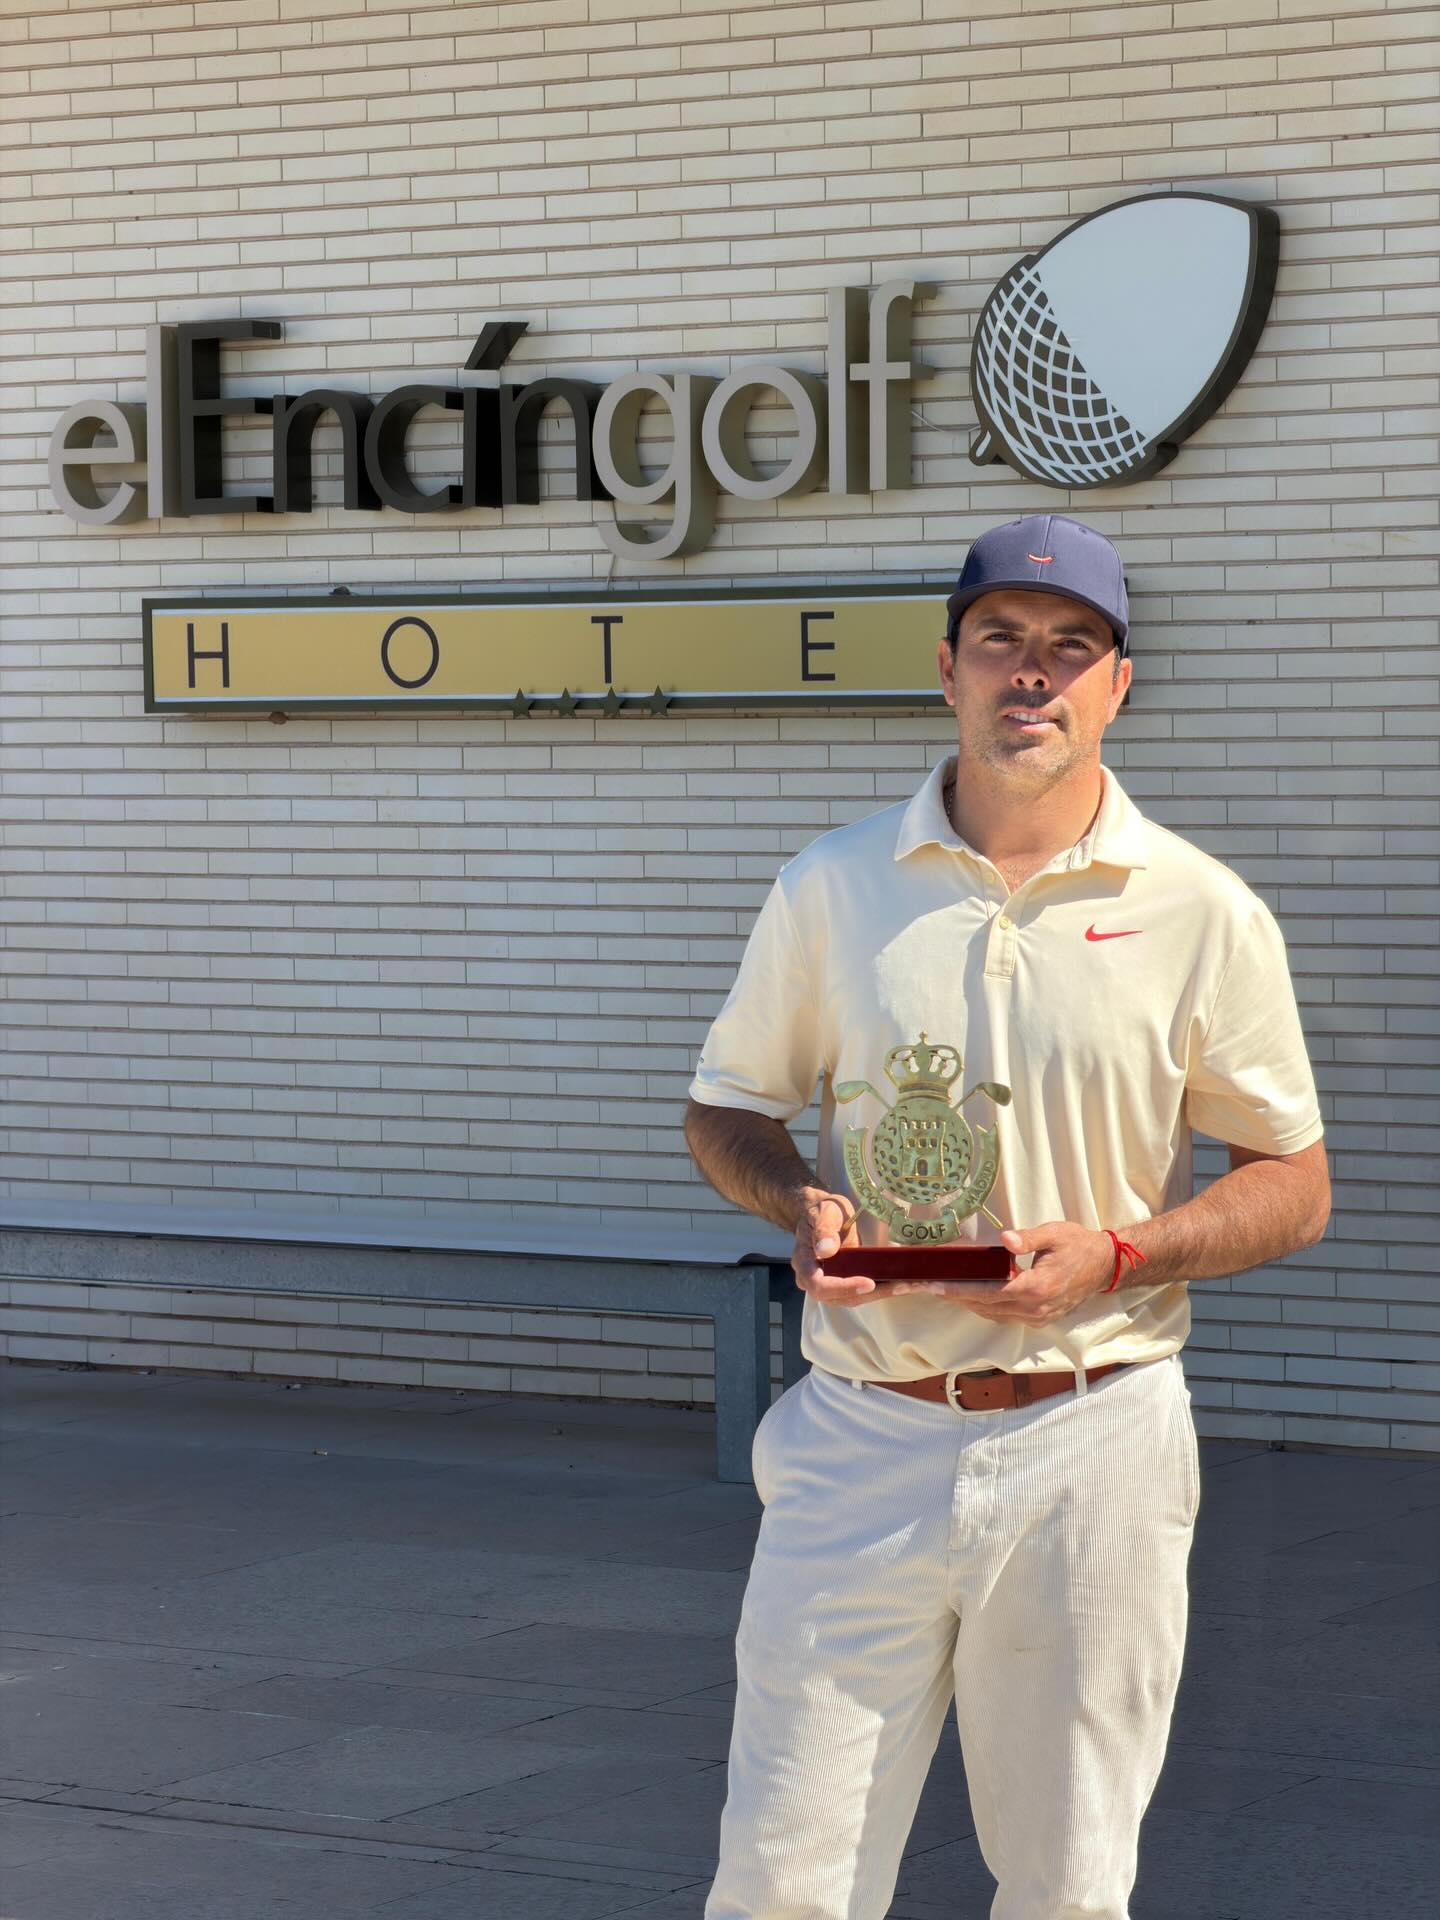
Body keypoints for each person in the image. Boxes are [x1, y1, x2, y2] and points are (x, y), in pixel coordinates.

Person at [683, 512, 1330, 1920]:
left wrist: (1123, 1252)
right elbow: (727, 1107)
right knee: (780, 1878)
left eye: (1069, 647)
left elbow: (1294, 1178)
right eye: (1002, 643)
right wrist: (797, 1199)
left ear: (1117, 685)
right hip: (860, 1432)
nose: (1030, 675)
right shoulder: (832, 885)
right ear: (949, 669)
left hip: (1092, 1437)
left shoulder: (1202, 911)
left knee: (1067, 1887)